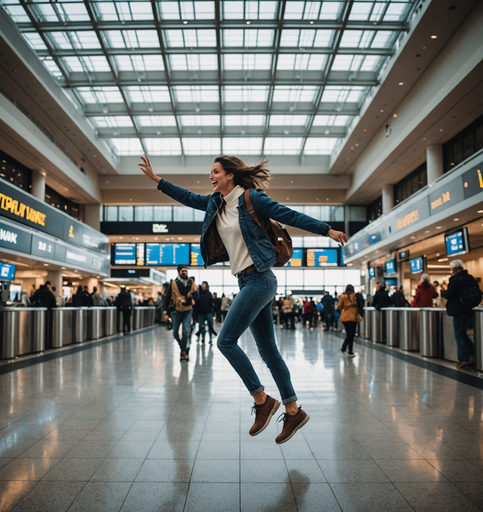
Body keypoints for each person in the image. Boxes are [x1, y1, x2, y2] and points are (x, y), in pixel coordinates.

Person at [139, 154, 347, 444]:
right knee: (269, 351)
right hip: (246, 281)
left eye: (215, 172)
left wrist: (327, 230)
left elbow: (289, 215)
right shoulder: (215, 203)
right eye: (210, 172)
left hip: (260, 279)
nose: (210, 176)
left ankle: (262, 400)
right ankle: (293, 410)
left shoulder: (252, 199)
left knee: (224, 341)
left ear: (230, 176)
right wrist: (156, 180)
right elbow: (187, 197)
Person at [442, 260, 480, 369]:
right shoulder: (470, 278)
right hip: (468, 310)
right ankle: (474, 352)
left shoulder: (456, 280)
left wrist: (444, 292)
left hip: (458, 310)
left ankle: (465, 358)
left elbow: (450, 294)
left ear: (453, 269)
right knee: (463, 334)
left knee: (459, 335)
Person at [162, 266, 198, 361]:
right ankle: (184, 348)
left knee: (186, 331)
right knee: (175, 333)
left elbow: (197, 295)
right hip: (176, 311)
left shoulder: (191, 283)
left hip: (188, 310)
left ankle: (183, 353)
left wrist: (192, 298)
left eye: (186, 271)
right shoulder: (173, 283)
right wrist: (165, 312)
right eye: (183, 271)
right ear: (178, 272)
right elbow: (166, 298)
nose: (184, 272)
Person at [337, 284, 361, 357]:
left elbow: (339, 306)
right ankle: (346, 348)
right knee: (352, 334)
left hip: (345, 317)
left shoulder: (343, 296)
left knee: (349, 334)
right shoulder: (355, 296)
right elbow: (359, 304)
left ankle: (349, 350)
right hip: (354, 316)